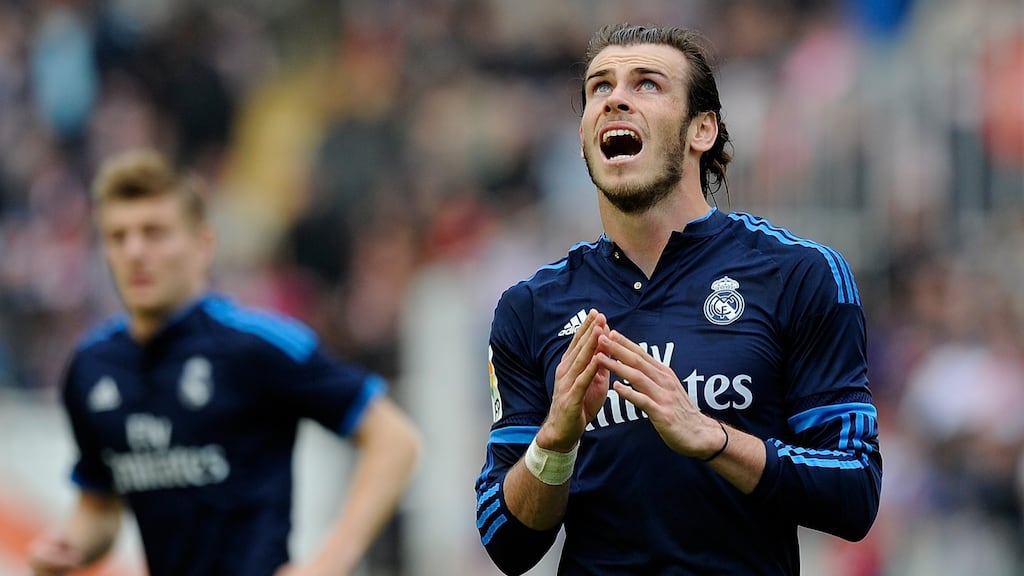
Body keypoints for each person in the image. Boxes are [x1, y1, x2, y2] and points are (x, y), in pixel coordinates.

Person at [474, 23, 881, 575]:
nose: (615, 98)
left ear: (702, 130)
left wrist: (711, 437)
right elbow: (506, 544)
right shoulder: (530, 307)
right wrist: (555, 442)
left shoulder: (798, 274)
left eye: (647, 84)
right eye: (599, 87)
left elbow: (854, 493)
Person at [28, 148, 422, 576]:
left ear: (203, 244)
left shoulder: (254, 346)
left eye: (154, 232)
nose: (135, 251)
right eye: (118, 236)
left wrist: (330, 562)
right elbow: (98, 506)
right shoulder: (92, 366)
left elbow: (394, 439)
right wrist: (68, 546)